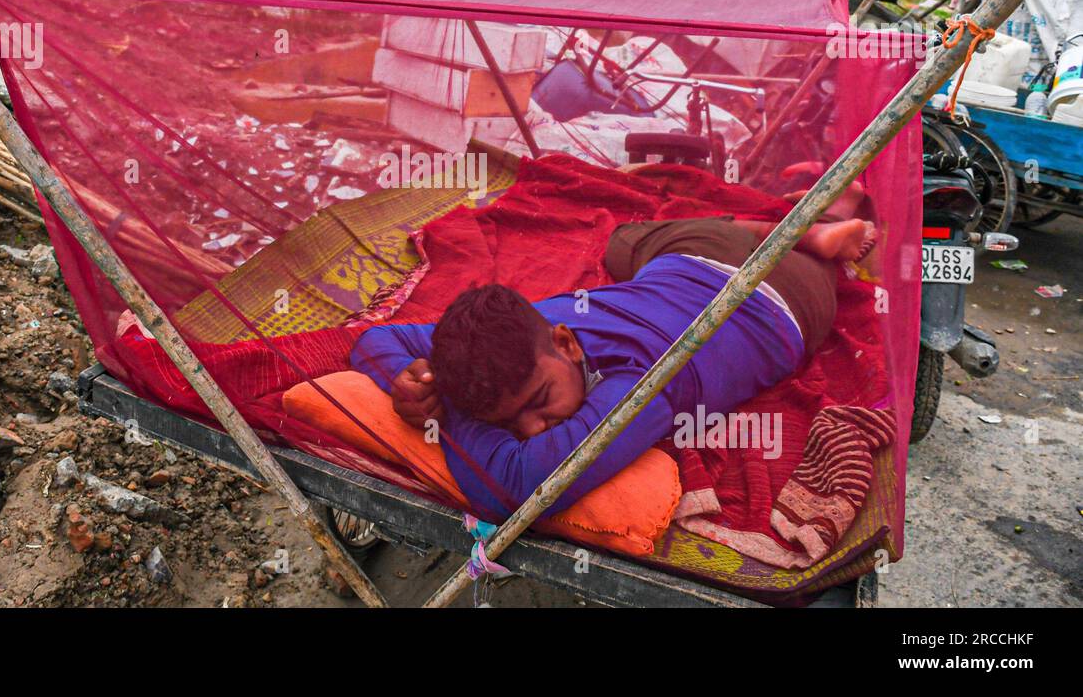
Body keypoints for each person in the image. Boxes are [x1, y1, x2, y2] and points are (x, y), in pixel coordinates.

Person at [349, 207, 875, 519]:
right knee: (628, 242)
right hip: (685, 257)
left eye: (537, 403)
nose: (532, 430)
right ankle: (788, 222)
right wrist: (416, 383)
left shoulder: (644, 381)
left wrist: (447, 409)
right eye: (507, 423)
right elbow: (377, 340)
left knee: (624, 240)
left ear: (566, 344)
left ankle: (811, 235)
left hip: (784, 296)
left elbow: (512, 486)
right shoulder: (532, 326)